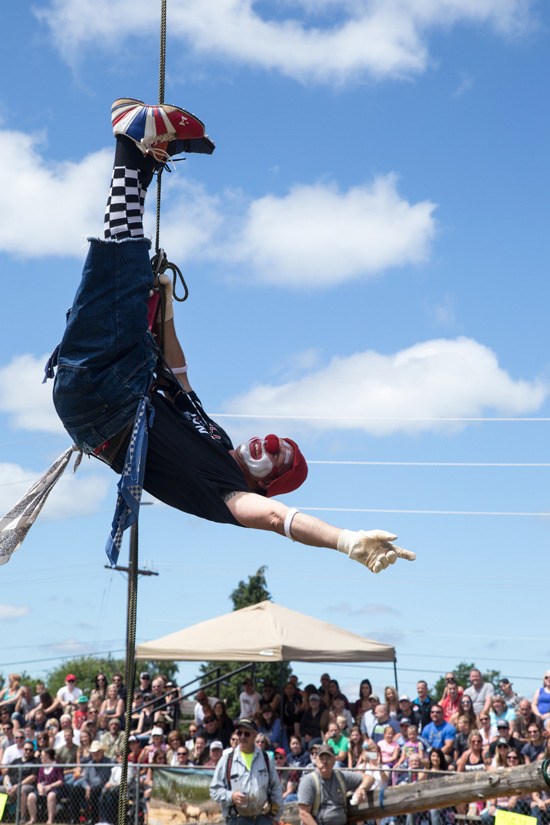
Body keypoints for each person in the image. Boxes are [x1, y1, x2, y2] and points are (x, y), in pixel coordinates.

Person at [45, 96, 415, 576]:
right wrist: (167, 308)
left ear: (267, 485)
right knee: (129, 276)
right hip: (124, 382)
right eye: (279, 442)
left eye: (276, 457)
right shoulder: (216, 441)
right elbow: (179, 375)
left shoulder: (232, 495)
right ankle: (139, 154)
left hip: (103, 403)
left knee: (121, 266)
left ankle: (130, 139)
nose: (268, 443)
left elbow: (280, 519)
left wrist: (345, 541)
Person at [210, 717, 283, 825]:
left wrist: (276, 817)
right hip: (236, 819)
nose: (242, 737)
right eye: (239, 733)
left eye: (247, 734)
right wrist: (231, 796)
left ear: (254, 735)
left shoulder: (266, 758)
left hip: (263, 818)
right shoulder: (226, 759)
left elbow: (276, 788)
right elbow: (214, 791)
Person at [297, 744, 374, 825]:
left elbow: (370, 778)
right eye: (321, 758)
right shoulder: (308, 781)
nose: (324, 762)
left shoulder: (341, 777)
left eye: (328, 758)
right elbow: (304, 814)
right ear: (316, 761)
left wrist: (361, 788)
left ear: (334, 760)